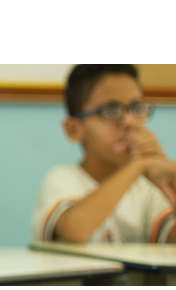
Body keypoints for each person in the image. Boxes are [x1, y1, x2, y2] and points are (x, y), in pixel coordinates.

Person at [31, 64, 176, 243]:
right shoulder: (62, 178)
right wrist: (139, 165)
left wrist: (168, 174)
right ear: (74, 129)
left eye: (136, 108)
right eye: (110, 111)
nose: (128, 122)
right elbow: (74, 230)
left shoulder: (145, 189)